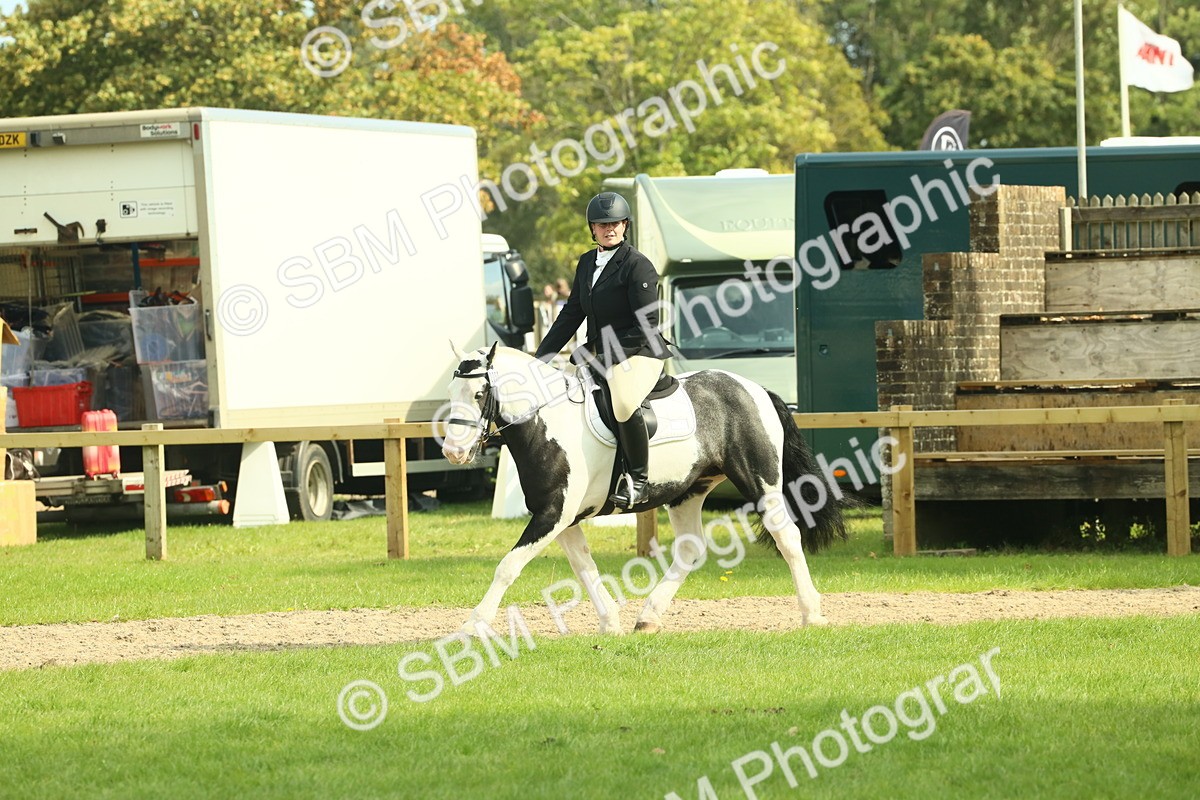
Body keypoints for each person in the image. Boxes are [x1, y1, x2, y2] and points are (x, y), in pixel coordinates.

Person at [535, 191, 670, 508]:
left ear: (625, 225)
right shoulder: (586, 263)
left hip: (640, 351)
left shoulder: (637, 266)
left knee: (622, 402)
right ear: (592, 228)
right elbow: (572, 313)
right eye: (602, 224)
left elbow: (647, 326)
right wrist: (540, 359)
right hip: (600, 350)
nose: (610, 228)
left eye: (616, 223)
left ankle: (638, 481)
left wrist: (602, 358)